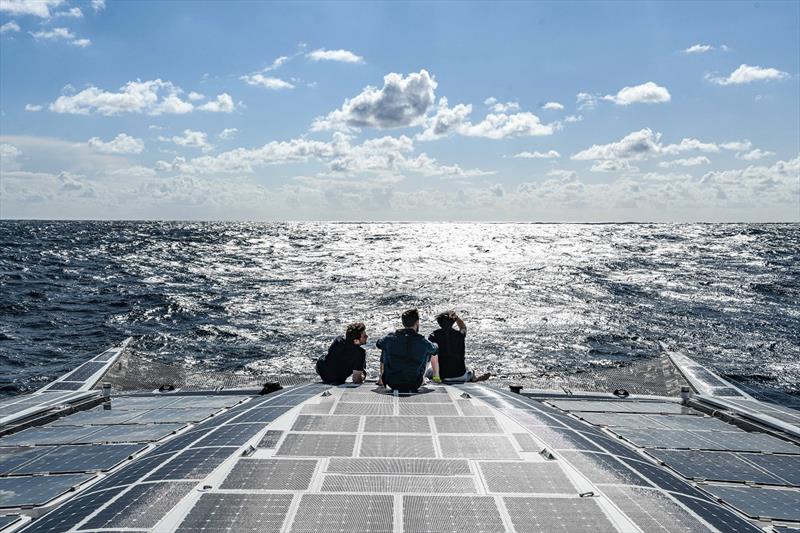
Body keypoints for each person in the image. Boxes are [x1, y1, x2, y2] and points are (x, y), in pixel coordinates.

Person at [376, 309, 438, 392]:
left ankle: (381, 377)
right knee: (430, 349)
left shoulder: (390, 338)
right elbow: (435, 350)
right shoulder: (422, 341)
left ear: (403, 322)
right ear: (417, 322)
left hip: (391, 382)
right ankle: (424, 378)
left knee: (385, 346)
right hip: (414, 383)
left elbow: (378, 343)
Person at [426, 311, 490, 383]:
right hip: (460, 376)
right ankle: (473, 378)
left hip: (441, 376)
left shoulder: (433, 336)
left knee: (428, 371)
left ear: (439, 323)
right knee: (468, 369)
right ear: (453, 323)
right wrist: (456, 318)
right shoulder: (460, 335)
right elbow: (463, 327)